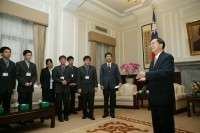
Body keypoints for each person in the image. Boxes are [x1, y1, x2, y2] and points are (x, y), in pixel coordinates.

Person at [136, 38, 175, 133]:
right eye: (150, 44)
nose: (151, 45)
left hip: (164, 97)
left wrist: (145, 74)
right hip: (154, 98)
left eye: (153, 43)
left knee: (166, 125)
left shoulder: (168, 57)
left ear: (161, 45)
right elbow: (154, 75)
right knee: (157, 124)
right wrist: (145, 79)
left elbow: (164, 72)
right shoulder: (153, 60)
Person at [16, 50, 37, 124]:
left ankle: (29, 118)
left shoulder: (33, 65)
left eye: (30, 55)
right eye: (28, 55)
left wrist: (31, 82)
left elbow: (35, 76)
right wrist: (24, 83)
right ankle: (20, 119)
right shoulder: (19, 64)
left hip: (30, 87)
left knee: (29, 104)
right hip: (22, 87)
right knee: (22, 103)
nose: (29, 56)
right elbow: (17, 75)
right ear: (24, 56)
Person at [100, 52, 122, 118]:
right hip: (105, 85)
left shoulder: (115, 65)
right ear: (105, 58)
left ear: (111, 58)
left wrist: (120, 82)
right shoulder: (102, 66)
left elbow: (118, 74)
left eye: (110, 56)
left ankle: (112, 113)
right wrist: (101, 84)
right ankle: (105, 113)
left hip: (113, 85)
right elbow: (101, 76)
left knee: (113, 99)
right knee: (105, 99)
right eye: (107, 56)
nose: (108, 57)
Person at [78, 56, 98, 120]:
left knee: (91, 103)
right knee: (84, 103)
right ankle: (85, 114)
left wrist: (96, 86)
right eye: (86, 60)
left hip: (91, 88)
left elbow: (95, 78)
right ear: (84, 61)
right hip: (83, 88)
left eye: (89, 60)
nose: (88, 61)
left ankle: (91, 115)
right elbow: (78, 79)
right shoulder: (80, 69)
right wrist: (79, 88)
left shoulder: (93, 68)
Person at [0, 47, 16, 129]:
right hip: (0, 88)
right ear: (1, 53)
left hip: (9, 88)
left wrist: (13, 87)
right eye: (6, 52)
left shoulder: (13, 64)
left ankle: (5, 122)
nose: (8, 53)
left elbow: (14, 77)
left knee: (7, 106)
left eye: (9, 52)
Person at [53, 55, 71, 122]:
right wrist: (61, 81)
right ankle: (60, 117)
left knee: (66, 103)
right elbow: (54, 77)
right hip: (58, 88)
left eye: (64, 59)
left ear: (66, 61)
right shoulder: (56, 68)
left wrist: (67, 81)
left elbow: (71, 77)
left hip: (66, 88)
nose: (63, 61)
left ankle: (66, 116)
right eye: (62, 59)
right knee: (59, 103)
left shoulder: (68, 68)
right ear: (60, 61)